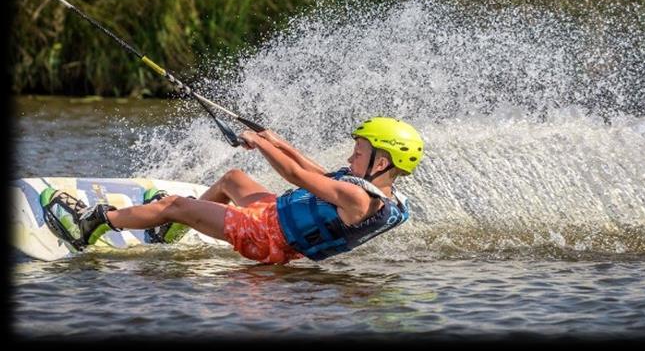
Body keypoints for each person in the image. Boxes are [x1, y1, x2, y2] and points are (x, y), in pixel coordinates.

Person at [40, 117, 424, 264]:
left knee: (174, 203)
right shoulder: (371, 192)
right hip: (274, 217)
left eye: (358, 154)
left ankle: (90, 224)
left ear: (382, 163)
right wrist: (279, 140)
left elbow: (294, 175)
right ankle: (168, 227)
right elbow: (316, 171)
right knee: (234, 178)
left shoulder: (358, 198)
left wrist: (262, 145)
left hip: (266, 237)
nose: (351, 158)